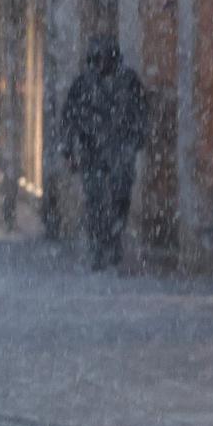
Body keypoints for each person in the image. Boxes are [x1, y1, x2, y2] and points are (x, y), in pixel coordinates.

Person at [60, 37, 150, 270]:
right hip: (93, 153)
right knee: (95, 202)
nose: (101, 64)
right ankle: (99, 247)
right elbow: (69, 118)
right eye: (98, 58)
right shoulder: (83, 85)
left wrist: (135, 140)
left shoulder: (128, 82)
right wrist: (69, 150)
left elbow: (142, 112)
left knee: (120, 198)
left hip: (121, 152)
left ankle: (113, 242)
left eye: (105, 58)